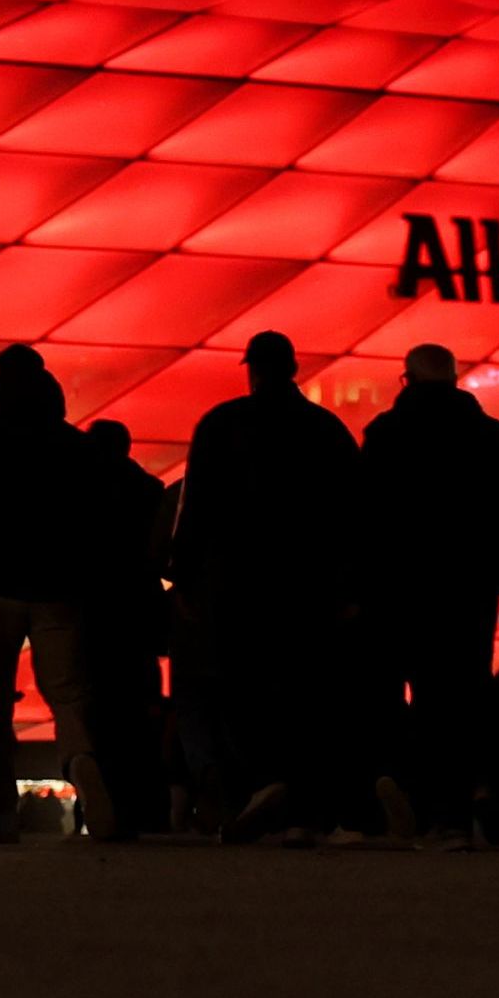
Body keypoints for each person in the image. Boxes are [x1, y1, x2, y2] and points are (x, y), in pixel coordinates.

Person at [174, 331, 359, 841]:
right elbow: (352, 515)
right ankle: (303, 803)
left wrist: (184, 576)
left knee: (242, 685)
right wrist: (349, 587)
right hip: (307, 583)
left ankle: (263, 785)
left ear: (252, 370)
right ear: (294, 369)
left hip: (237, 581)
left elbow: (198, 508)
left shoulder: (222, 424)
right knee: (305, 690)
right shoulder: (326, 429)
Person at [0, 345, 114, 840]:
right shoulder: (73, 446)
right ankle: (80, 762)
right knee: (68, 692)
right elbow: (99, 520)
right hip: (58, 583)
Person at [359, 344, 499, 846]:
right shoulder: (491, 436)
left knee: (392, 694)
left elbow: (364, 518)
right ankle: (454, 811)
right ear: (456, 381)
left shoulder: (386, 435)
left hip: (399, 588)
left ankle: (403, 795)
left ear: (406, 379)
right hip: (467, 591)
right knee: (456, 696)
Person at [74, 416, 174, 833]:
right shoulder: (150, 491)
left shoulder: (78, 492)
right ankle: (151, 806)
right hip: (139, 612)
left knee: (100, 709)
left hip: (94, 610)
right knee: (142, 710)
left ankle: (107, 805)